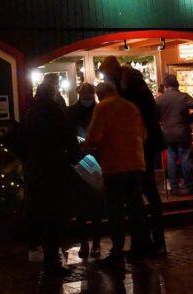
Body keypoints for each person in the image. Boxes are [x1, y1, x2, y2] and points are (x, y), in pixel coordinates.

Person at [99, 56, 167, 254]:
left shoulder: (129, 89)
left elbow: (137, 117)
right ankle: (148, 240)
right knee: (143, 193)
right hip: (144, 143)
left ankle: (151, 241)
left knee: (142, 193)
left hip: (140, 144)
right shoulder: (133, 85)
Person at [83, 81, 150, 267]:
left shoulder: (103, 107)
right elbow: (143, 134)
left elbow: (95, 136)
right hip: (136, 163)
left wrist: (85, 146)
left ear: (101, 94)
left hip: (115, 165)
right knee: (136, 207)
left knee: (115, 210)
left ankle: (117, 250)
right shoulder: (131, 106)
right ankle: (139, 247)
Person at [22, 77, 78, 276]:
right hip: (54, 169)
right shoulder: (54, 113)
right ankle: (52, 259)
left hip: (35, 169)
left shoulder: (30, 112)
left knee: (39, 210)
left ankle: (38, 249)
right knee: (54, 215)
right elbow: (67, 138)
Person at [67, 82, 102, 258]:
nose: (87, 98)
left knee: (88, 206)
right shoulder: (93, 110)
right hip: (86, 162)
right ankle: (89, 243)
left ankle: (89, 243)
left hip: (84, 161)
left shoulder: (73, 111)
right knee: (89, 206)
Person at [157, 74, 193, 194]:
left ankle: (174, 187)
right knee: (185, 158)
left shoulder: (160, 99)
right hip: (182, 132)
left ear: (165, 86)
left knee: (171, 159)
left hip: (167, 133)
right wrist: (189, 118)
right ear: (177, 84)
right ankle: (190, 186)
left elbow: (154, 114)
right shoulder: (183, 96)